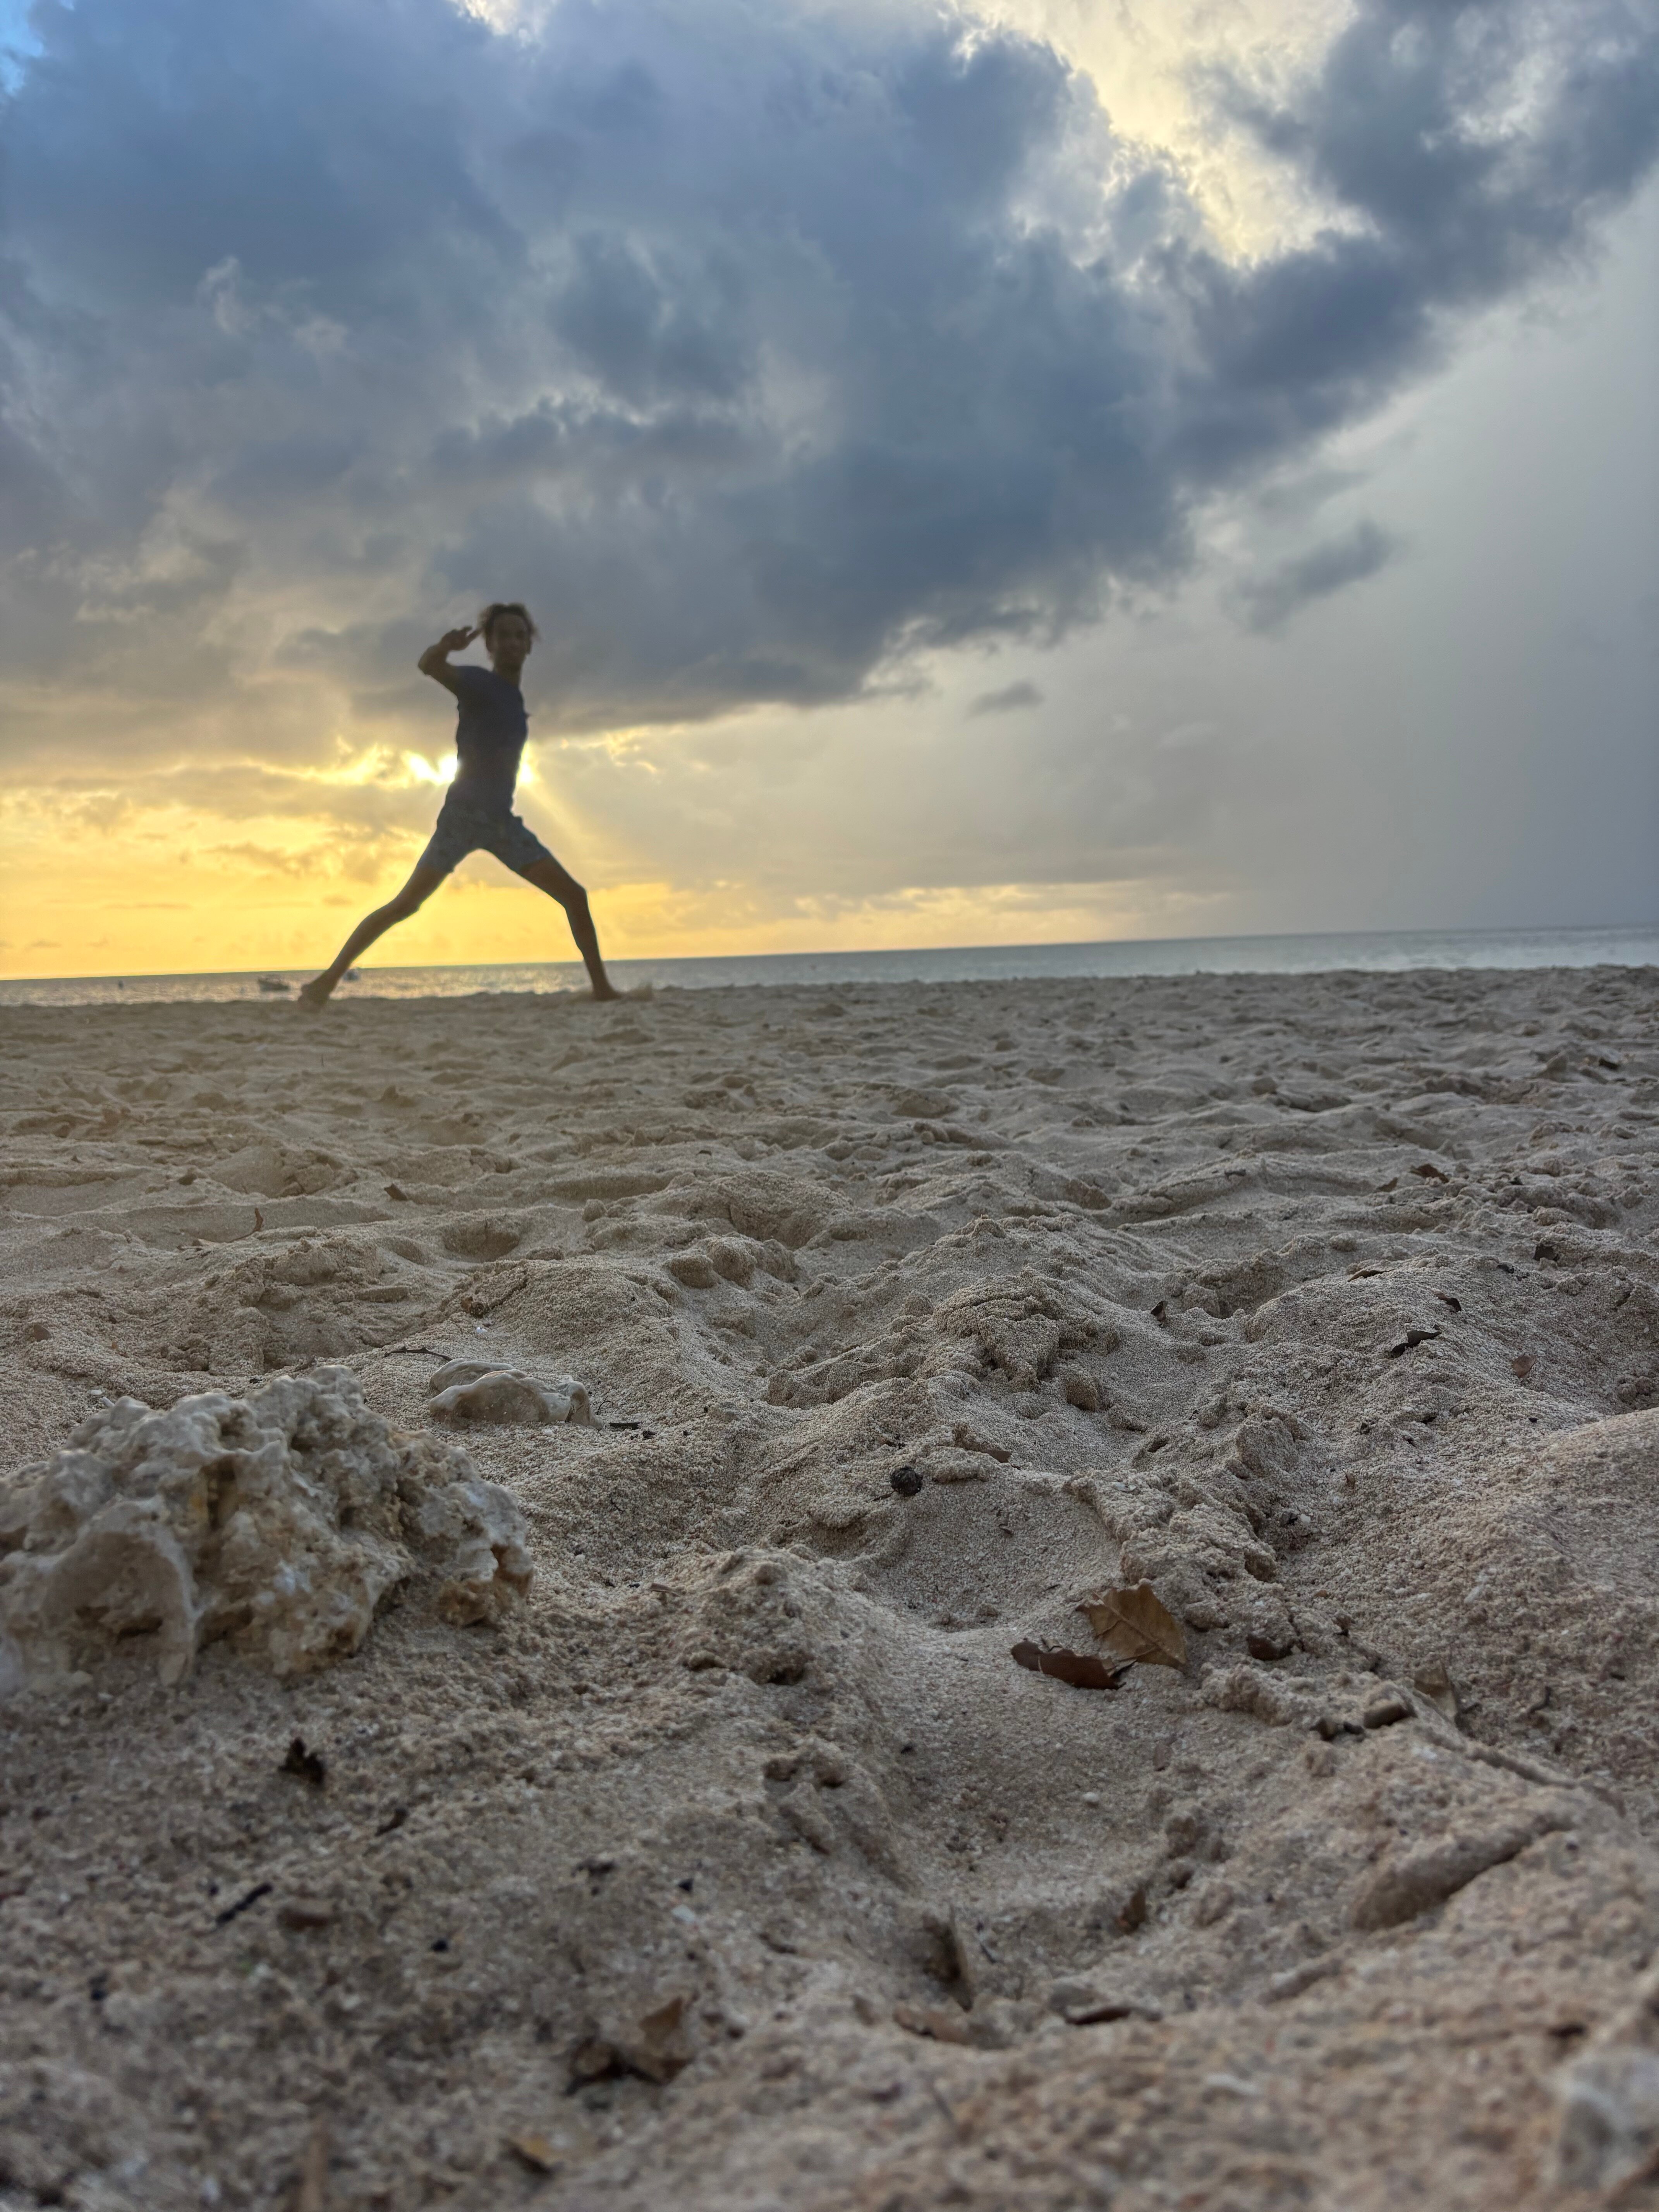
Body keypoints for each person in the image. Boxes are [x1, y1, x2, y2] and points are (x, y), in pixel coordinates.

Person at [299, 603, 618, 1005]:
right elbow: (430, 666)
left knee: (575, 897)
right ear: (490, 644)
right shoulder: (479, 685)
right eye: (504, 636)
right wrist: (444, 648)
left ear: (529, 645)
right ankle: (325, 983)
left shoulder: (514, 700)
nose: (513, 643)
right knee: (405, 906)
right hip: (462, 818)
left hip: (502, 823)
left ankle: (603, 991)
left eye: (520, 636)